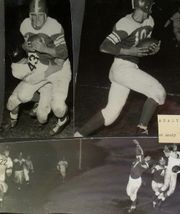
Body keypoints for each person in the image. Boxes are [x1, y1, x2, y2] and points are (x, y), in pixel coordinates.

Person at [75, 0, 166, 137]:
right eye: (150, 5)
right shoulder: (125, 23)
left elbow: (141, 47)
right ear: (144, 5)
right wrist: (129, 52)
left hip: (128, 69)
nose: (152, 8)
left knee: (111, 114)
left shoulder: (150, 21)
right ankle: (141, 131)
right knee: (158, 92)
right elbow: (104, 46)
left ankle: (77, 136)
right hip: (122, 67)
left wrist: (152, 50)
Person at [2, 0, 71, 136]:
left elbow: (63, 54)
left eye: (40, 15)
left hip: (59, 68)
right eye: (33, 15)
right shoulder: (25, 24)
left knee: (58, 108)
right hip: (41, 64)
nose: (36, 19)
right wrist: (25, 47)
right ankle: (39, 100)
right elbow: (26, 44)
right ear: (29, 14)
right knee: (21, 96)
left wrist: (44, 48)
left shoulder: (54, 26)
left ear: (46, 15)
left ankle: (63, 119)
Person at [126, 140, 151, 213]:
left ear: (148, 161)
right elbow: (140, 151)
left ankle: (133, 207)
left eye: (149, 159)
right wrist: (138, 144)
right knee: (128, 193)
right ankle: (133, 203)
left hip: (137, 181)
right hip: (131, 179)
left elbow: (144, 165)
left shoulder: (145, 164)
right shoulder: (138, 159)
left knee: (133, 194)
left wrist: (143, 161)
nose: (147, 158)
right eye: (147, 157)